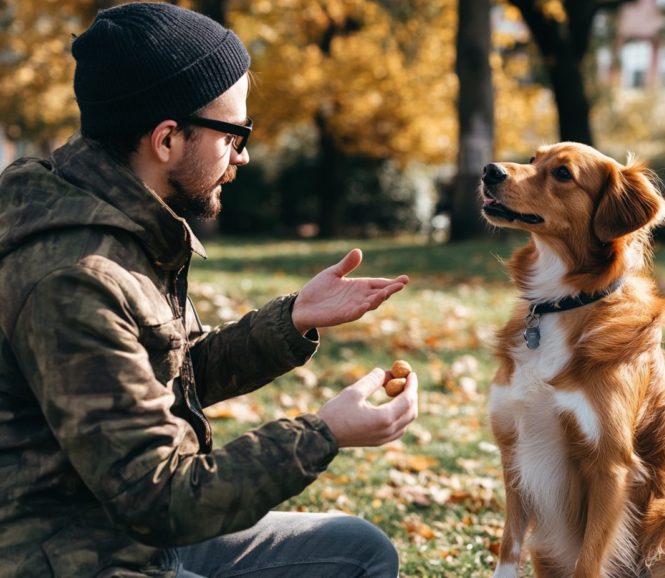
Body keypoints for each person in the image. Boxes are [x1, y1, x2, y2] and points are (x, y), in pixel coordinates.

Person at [0, 3, 418, 577]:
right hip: (72, 553)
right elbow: (159, 498)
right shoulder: (76, 275)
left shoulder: (122, 228)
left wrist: (291, 319)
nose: (243, 154)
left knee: (360, 552)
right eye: (234, 133)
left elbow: (163, 374)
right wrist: (324, 434)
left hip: (125, 530)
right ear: (167, 139)